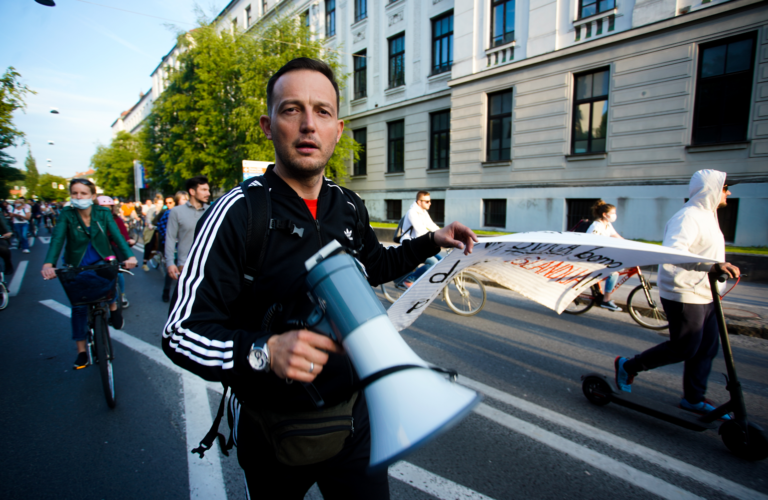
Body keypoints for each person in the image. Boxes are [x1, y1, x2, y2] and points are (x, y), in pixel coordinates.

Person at [161, 58, 478, 500]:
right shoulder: (237, 213)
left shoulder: (348, 204)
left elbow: (375, 265)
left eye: (322, 112)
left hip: (354, 424)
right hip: (274, 435)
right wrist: (262, 352)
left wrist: (433, 241)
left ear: (338, 129)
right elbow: (179, 333)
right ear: (268, 126)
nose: (309, 124)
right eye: (291, 109)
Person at [615, 170, 740, 417]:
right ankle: (628, 366)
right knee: (684, 348)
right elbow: (674, 252)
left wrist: (718, 270)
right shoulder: (688, 217)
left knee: (707, 348)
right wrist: (711, 267)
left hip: (706, 292)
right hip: (683, 292)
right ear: (711, 190)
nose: (729, 192)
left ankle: (693, 399)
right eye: (726, 188)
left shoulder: (708, 216)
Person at [41, 179, 137, 369]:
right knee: (78, 306)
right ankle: (82, 351)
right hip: (76, 262)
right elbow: (58, 239)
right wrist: (48, 263)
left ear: (93, 196)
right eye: (74, 193)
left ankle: (114, 309)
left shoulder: (102, 212)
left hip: (101, 257)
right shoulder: (66, 214)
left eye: (83, 193)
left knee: (112, 279)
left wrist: (130, 256)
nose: (78, 197)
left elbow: (117, 235)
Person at [164, 176, 210, 282]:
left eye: (208, 190)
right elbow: (170, 238)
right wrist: (170, 263)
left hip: (209, 265)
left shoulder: (211, 210)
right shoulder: (176, 212)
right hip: (186, 265)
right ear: (192, 192)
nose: (208, 193)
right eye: (204, 190)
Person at [97, 196, 135, 308]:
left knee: (118, 272)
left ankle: (121, 294)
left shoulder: (116, 219)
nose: (105, 210)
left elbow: (122, 234)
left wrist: (128, 240)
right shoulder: (93, 220)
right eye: (102, 207)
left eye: (107, 207)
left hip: (113, 250)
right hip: (99, 250)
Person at [587, 200, 624, 312]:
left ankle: (602, 291)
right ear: (605, 214)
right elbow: (590, 244)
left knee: (622, 266)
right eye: (613, 213)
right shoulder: (596, 226)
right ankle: (606, 300)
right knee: (614, 272)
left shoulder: (607, 225)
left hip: (602, 256)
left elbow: (616, 236)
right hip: (592, 257)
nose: (614, 215)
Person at [400, 191, 442, 286]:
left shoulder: (423, 213)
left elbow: (432, 226)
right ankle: (409, 280)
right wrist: (437, 240)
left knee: (442, 260)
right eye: (427, 201)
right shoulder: (412, 212)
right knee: (433, 262)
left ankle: (429, 282)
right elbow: (421, 232)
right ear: (419, 202)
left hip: (419, 244)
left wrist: (444, 235)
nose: (430, 203)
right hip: (410, 245)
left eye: (430, 201)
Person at [155, 192, 187, 302]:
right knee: (173, 268)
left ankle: (183, 295)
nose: (186, 201)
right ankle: (167, 291)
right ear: (178, 201)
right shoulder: (171, 212)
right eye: (183, 199)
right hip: (174, 245)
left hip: (186, 245)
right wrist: (172, 237)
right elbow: (162, 227)